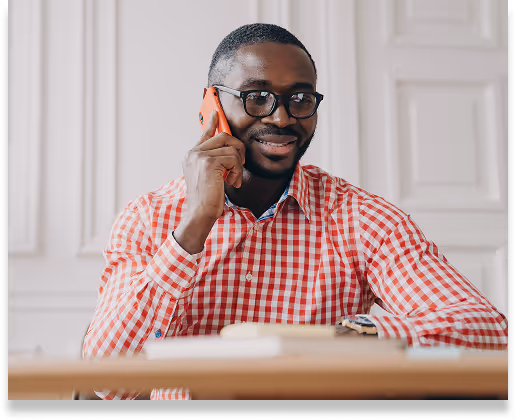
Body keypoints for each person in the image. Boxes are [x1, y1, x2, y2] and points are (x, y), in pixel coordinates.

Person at [82, 23, 508, 400]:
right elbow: (108, 381)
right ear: (212, 105)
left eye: (300, 98)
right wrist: (193, 228)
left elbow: (488, 332)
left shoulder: (364, 219)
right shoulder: (148, 218)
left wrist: (348, 338)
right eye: (257, 97)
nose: (283, 118)